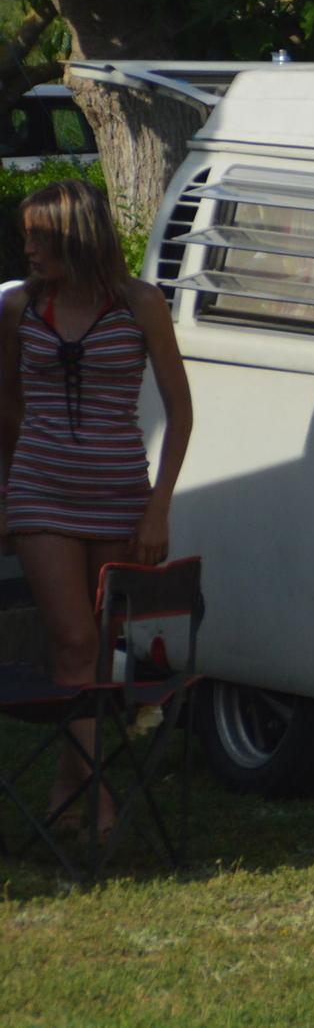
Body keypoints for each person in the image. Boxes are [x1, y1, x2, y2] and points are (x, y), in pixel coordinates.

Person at [0, 179, 193, 839]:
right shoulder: (20, 307)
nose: (28, 250)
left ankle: (66, 783)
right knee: (74, 639)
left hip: (119, 495)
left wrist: (158, 508)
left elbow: (181, 411)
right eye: (25, 237)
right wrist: (7, 491)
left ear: (75, 236)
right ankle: (100, 794)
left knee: (98, 649)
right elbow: (6, 408)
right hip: (41, 493)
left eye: (38, 238)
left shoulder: (141, 304)